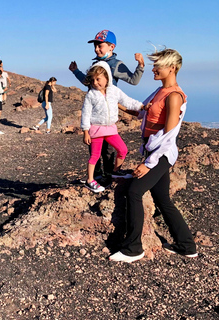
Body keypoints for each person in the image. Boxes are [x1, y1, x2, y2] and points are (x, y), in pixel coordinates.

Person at [109, 48, 197, 263]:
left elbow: (169, 135)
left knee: (134, 192)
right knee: (162, 199)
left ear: (172, 68)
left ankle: (133, 248)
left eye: (158, 65)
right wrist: (113, 103)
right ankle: (186, 245)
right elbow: (141, 112)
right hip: (153, 152)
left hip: (162, 154)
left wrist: (149, 164)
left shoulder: (174, 96)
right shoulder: (159, 92)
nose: (153, 69)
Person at [69, 30, 145, 185]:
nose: (97, 49)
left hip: (108, 114)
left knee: (109, 148)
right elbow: (86, 82)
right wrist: (75, 71)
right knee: (95, 147)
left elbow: (133, 80)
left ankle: (110, 175)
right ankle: (96, 176)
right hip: (96, 113)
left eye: (100, 45)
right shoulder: (95, 64)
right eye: (95, 45)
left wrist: (141, 65)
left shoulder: (117, 65)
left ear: (111, 47)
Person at [80, 62, 143, 192]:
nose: (95, 82)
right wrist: (86, 132)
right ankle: (90, 180)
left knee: (123, 150)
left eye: (98, 79)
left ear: (107, 77)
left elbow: (127, 101)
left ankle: (115, 171)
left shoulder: (114, 91)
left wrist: (141, 106)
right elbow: (85, 114)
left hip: (110, 128)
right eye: (92, 80)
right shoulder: (91, 95)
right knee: (95, 156)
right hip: (96, 129)